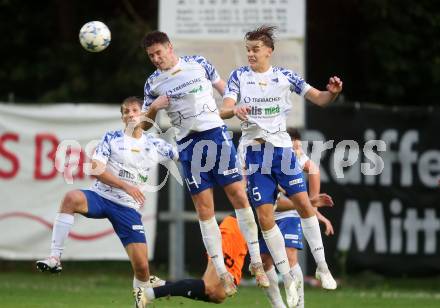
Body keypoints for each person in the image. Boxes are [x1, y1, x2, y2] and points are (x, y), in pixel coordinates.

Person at [140, 30, 269, 296]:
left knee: (239, 196)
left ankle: (257, 262)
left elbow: (226, 91)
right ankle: (222, 273)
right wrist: (154, 108)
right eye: (151, 55)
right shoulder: (153, 83)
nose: (155, 59)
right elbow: (142, 125)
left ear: (169, 47)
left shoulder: (198, 63)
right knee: (204, 208)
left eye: (158, 53)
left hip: (216, 135)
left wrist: (240, 107)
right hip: (189, 146)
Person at [220, 25, 342, 306]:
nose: (250, 54)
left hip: (282, 151)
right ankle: (287, 276)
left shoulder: (285, 77)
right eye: (248, 49)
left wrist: (332, 92)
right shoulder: (239, 77)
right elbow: (223, 108)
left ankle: (323, 267)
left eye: (255, 49)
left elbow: (321, 99)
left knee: (303, 203)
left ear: (269, 51)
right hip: (254, 154)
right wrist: (233, 109)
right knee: (265, 217)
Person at [36, 97, 176, 308]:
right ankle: (55, 258)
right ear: (122, 117)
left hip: (128, 208)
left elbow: (183, 155)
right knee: (71, 198)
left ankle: (147, 287)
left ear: (143, 114)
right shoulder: (112, 138)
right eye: (126, 111)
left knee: (141, 268)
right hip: (101, 197)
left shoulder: (156, 144)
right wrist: (126, 186)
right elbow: (96, 168)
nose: (130, 114)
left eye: (135, 110)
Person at [143, 193, 333, 305]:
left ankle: (159, 285)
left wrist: (311, 205)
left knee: (218, 295)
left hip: (242, 235)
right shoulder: (263, 165)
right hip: (236, 232)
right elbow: (271, 203)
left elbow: (280, 202)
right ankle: (148, 294)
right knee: (212, 288)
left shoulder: (277, 168)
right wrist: (308, 202)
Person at [258, 129, 334, 308]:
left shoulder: (296, 157)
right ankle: (278, 305)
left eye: (298, 143)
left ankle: (299, 305)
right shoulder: (262, 157)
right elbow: (277, 203)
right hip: (268, 213)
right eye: (293, 142)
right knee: (264, 260)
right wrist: (309, 202)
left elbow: (313, 169)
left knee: (291, 255)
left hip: (289, 215)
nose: (297, 147)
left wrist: (314, 209)